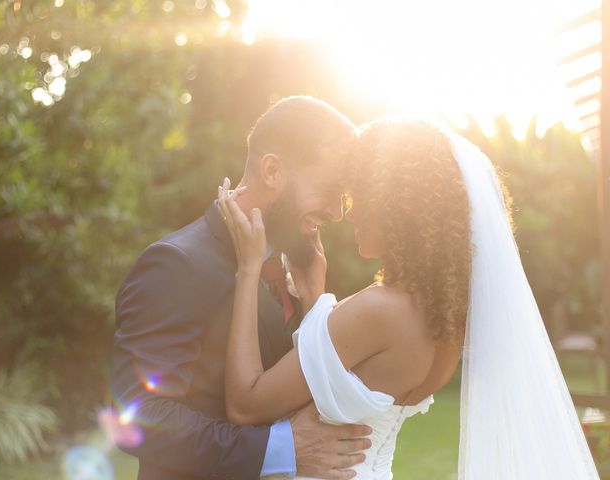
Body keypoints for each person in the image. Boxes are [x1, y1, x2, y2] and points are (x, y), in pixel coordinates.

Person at [218, 119, 600, 479]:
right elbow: (342, 385)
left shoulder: (379, 311)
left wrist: (248, 269)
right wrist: (316, 301)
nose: (347, 214)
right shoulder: (443, 321)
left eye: (359, 196)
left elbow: (245, 404)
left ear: (397, 207)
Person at [110, 96, 372, 480]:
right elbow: (140, 416)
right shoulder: (177, 264)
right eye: (329, 190)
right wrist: (281, 447)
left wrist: (315, 304)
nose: (337, 212)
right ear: (271, 171)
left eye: (343, 198)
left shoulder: (292, 261)